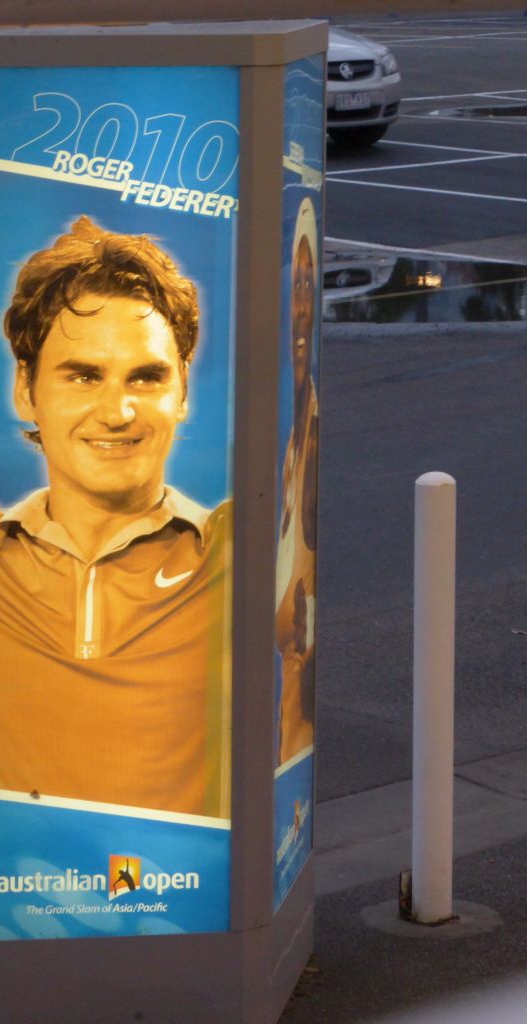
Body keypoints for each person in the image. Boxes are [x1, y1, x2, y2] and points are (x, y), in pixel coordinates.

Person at [0, 215, 231, 818]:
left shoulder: (235, 550)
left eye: (147, 376)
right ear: (25, 390)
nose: (117, 411)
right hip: (21, 896)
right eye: (83, 376)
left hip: (182, 883)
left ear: (182, 391)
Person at [275, 198, 319, 766]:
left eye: (311, 283)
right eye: (297, 288)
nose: (304, 307)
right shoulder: (291, 442)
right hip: (281, 748)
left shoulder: (309, 428)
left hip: (289, 748)